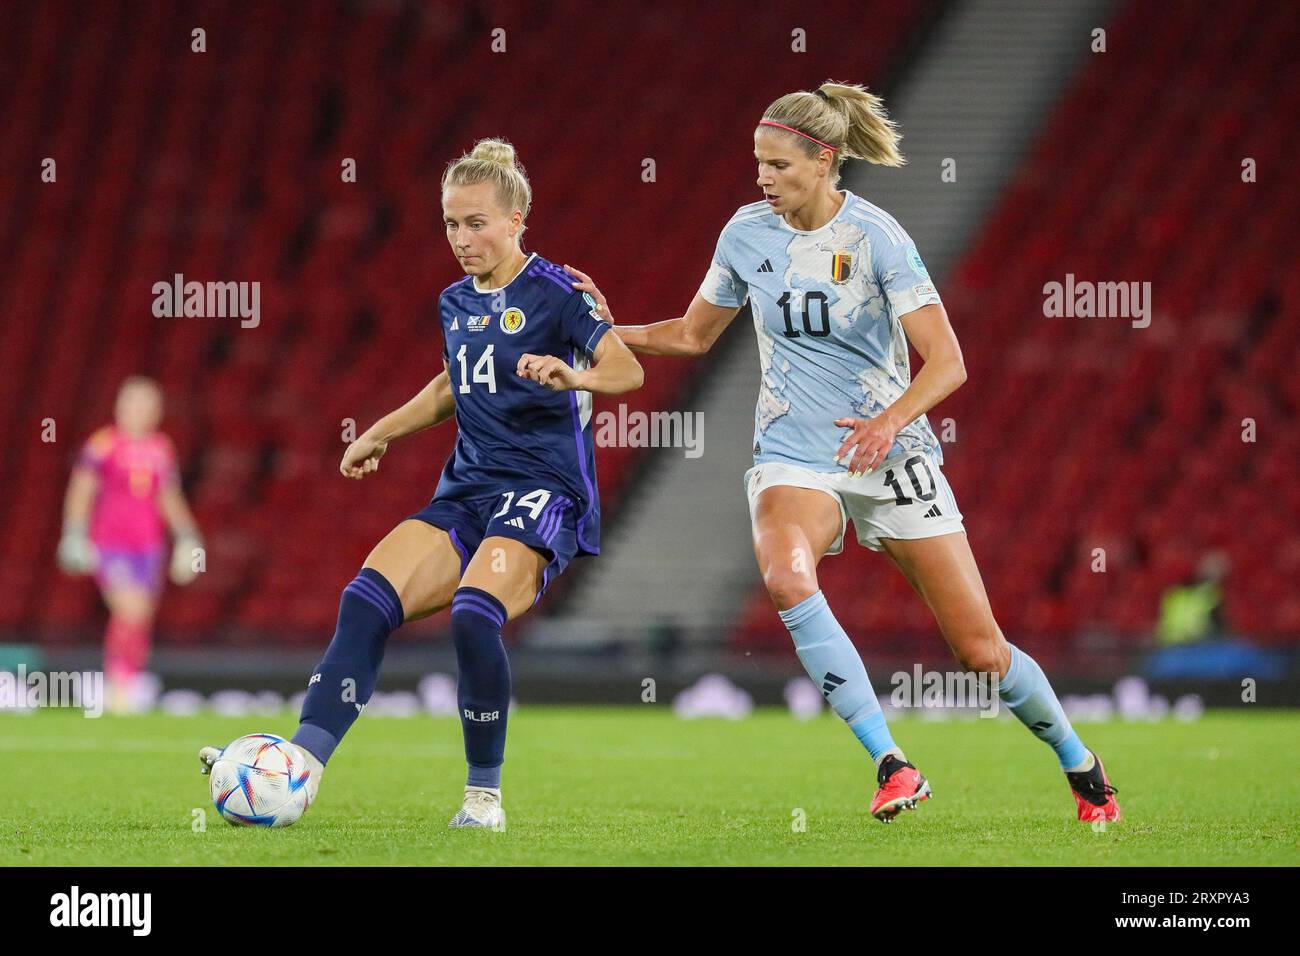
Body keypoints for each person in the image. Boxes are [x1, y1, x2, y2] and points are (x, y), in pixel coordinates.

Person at [567, 82, 1120, 824]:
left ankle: (1083, 768)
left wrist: (890, 421)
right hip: (794, 453)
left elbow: (948, 361)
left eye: (779, 166)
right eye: (757, 163)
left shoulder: (876, 238)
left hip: (892, 456)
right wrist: (610, 327)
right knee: (787, 574)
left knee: (981, 653)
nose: (763, 178)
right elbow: (693, 336)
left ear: (824, 161)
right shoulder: (745, 234)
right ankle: (892, 764)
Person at [200, 139, 643, 829]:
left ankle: (483, 797)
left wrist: (574, 374)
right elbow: (449, 384)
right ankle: (300, 772)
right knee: (365, 600)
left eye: (476, 223)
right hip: (467, 491)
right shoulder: (454, 301)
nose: (461, 239)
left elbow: (626, 370)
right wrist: (381, 430)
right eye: (450, 224)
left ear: (517, 217)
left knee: (474, 612)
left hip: (543, 492)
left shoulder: (558, 294)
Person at [58, 376, 203, 714]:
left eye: (147, 405)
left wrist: (187, 535)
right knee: (130, 609)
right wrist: (75, 532)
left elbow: (168, 496)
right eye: (133, 403)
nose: (139, 411)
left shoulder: (161, 448)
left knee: (140, 619)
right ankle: (119, 683)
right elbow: (82, 489)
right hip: (111, 544)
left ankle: (130, 682)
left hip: (148, 548)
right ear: (119, 407)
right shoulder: (103, 445)